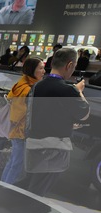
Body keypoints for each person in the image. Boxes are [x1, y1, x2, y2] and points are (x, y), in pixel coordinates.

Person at [24, 48, 89, 196]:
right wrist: (78, 91)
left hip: (33, 144)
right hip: (54, 148)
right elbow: (84, 114)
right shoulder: (68, 90)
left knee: (32, 184)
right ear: (69, 65)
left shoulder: (36, 86)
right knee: (39, 189)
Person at [0, 58, 45, 186]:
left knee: (14, 161)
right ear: (32, 70)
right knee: (17, 164)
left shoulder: (21, 84)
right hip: (21, 132)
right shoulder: (27, 89)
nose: (43, 71)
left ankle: (2, 186)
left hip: (18, 131)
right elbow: (18, 114)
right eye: (40, 68)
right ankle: (6, 190)